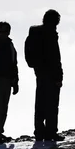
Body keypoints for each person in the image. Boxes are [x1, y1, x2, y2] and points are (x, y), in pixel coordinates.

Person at [26, 9, 64, 141]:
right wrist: (59, 77)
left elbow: (28, 51)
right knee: (52, 103)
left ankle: (39, 131)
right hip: (51, 73)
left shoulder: (34, 32)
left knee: (40, 102)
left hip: (40, 72)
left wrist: (34, 65)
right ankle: (51, 132)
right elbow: (55, 57)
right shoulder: (50, 34)